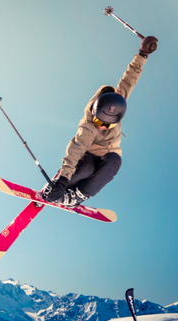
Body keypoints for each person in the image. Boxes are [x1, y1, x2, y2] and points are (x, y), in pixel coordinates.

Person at [43, 36, 159, 208]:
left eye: (108, 125)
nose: (103, 126)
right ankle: (57, 188)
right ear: (95, 112)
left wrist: (142, 54)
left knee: (115, 162)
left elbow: (130, 78)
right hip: (88, 154)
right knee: (86, 170)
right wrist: (62, 180)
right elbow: (75, 150)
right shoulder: (89, 126)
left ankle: (77, 196)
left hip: (108, 156)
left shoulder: (118, 101)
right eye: (100, 121)